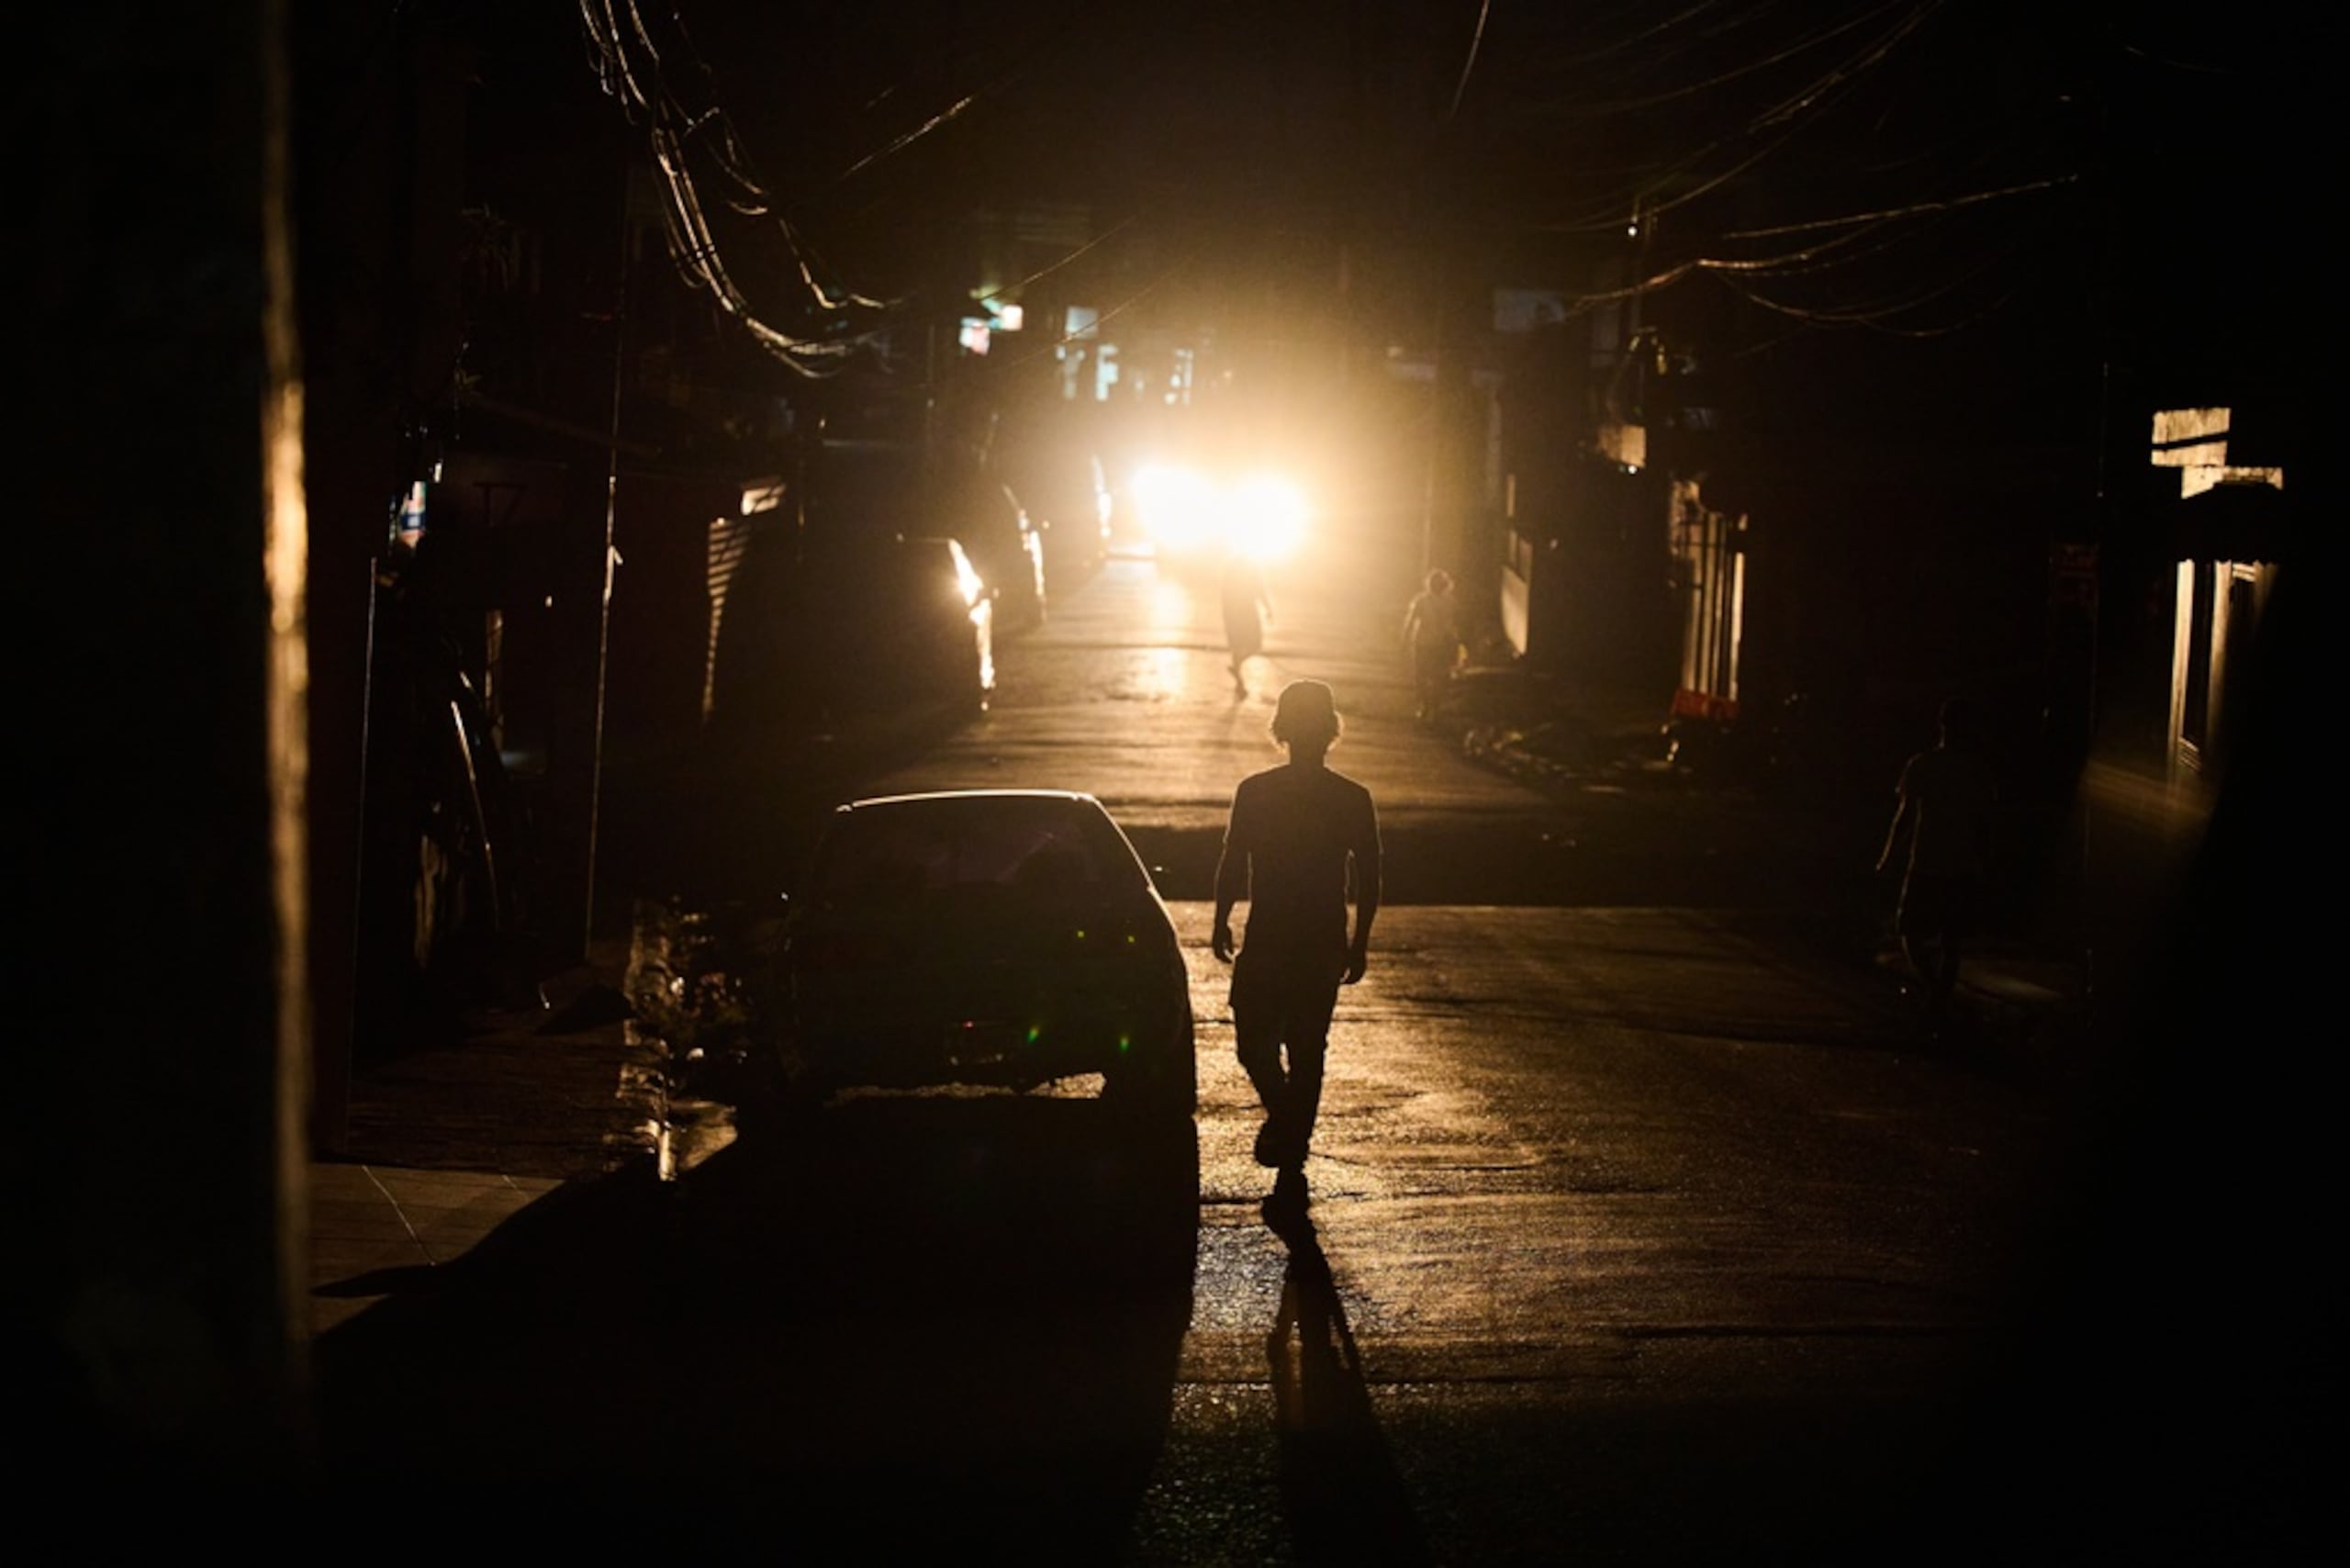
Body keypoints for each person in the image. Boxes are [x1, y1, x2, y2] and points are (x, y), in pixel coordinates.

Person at [1212, 679, 1382, 1215]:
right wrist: (1359, 942)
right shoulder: (1351, 798)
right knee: (1307, 1049)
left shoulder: (1257, 792)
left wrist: (1221, 918)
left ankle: (1289, 1137)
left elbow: (1232, 861)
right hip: (1318, 939)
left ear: (1281, 729)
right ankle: (1291, 1130)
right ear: (1331, 730)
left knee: (1254, 1043)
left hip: (1271, 936)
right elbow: (1371, 876)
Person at [1875, 697, 1999, 1015]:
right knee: (1947, 938)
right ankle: (1938, 993)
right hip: (1956, 864)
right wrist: (1985, 863)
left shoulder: (1924, 765)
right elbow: (1985, 823)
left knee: (1914, 934)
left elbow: (1904, 818)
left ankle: (1936, 994)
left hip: (1930, 863)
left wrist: (1889, 857)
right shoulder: (1974, 770)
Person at [1400, 568, 1461, 722]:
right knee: (1438, 677)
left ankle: (1426, 705)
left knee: (1422, 677)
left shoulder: (1421, 601)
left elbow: (1410, 621)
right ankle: (1435, 707)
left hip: (1424, 644)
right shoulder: (1451, 602)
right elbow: (1456, 624)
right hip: (1442, 645)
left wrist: (1405, 640)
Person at [1220, 549, 1273, 697]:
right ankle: (1239, 680)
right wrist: (1268, 609)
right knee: (1254, 645)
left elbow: (1224, 592)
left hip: (1233, 612)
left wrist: (1227, 613)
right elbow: (1260, 590)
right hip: (1246, 611)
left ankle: (1238, 676)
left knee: (1238, 646)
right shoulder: (1251, 568)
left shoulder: (1231, 568)